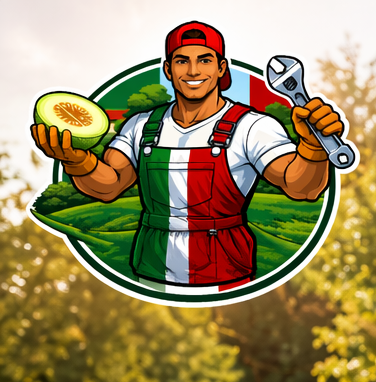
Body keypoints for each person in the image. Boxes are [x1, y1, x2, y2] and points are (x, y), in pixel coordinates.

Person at [30, 21, 344, 286]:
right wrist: (77, 161)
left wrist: (314, 147)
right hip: (150, 267)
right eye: (182, 61)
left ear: (221, 68)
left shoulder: (253, 127)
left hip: (226, 270)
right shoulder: (141, 125)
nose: (193, 70)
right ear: (168, 69)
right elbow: (109, 185)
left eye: (205, 60)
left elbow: (303, 187)